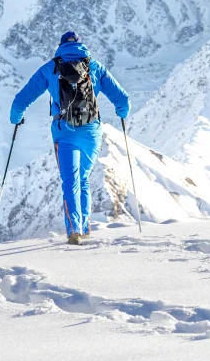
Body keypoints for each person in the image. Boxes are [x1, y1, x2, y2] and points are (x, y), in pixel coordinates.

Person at [10, 31, 130, 245]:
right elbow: (122, 98)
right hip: (92, 131)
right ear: (81, 45)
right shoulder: (95, 66)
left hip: (64, 131)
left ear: (60, 46)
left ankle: (74, 229)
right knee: (83, 180)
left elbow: (21, 100)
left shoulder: (51, 68)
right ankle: (84, 228)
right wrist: (122, 114)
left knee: (70, 181)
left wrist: (16, 119)